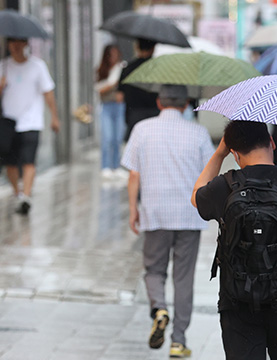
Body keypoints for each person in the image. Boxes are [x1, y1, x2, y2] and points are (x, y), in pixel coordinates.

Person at [191, 120, 277, 359]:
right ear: (272, 143)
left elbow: (196, 197)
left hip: (237, 300)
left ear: (235, 154)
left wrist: (219, 153)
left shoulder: (225, 185)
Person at [121, 84, 214, 358]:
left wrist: (132, 209)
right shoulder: (198, 133)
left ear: (159, 103)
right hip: (189, 215)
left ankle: (159, 308)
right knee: (183, 279)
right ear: (185, 104)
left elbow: (134, 175)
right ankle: (178, 341)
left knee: (154, 270)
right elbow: (208, 175)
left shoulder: (142, 129)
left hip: (155, 212)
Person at [0, 37, 59, 215]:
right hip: (9, 120)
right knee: (10, 163)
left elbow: (48, 93)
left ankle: (26, 196)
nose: (16, 47)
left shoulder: (38, 66)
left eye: (19, 43)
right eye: (12, 43)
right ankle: (17, 193)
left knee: (28, 161)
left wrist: (54, 117)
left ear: (26, 44)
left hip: (32, 121)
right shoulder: (3, 66)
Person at [118, 38, 159, 141]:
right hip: (155, 114)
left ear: (137, 47)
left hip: (134, 114)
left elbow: (120, 96)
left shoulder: (128, 69)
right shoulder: (159, 68)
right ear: (153, 48)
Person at [95, 44, 126, 179]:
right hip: (106, 106)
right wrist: (111, 84)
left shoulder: (122, 69)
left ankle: (115, 166)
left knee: (117, 138)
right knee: (107, 137)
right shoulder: (102, 70)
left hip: (119, 107)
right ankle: (105, 166)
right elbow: (99, 89)